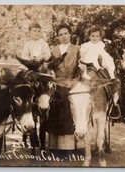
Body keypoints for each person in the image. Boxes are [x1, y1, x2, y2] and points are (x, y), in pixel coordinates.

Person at [46, 23, 80, 157]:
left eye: (66, 33)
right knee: (55, 114)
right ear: (58, 37)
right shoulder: (53, 51)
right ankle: (54, 147)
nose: (63, 36)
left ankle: (68, 148)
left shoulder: (77, 49)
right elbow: (48, 67)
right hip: (56, 86)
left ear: (70, 34)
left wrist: (74, 82)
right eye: (60, 34)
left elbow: (79, 69)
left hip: (71, 85)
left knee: (69, 114)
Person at [79, 25, 120, 116]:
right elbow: (82, 54)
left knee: (109, 63)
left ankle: (112, 77)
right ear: (89, 36)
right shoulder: (86, 45)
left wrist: (102, 59)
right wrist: (83, 57)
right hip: (88, 60)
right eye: (93, 36)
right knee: (85, 64)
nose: (95, 38)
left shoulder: (100, 44)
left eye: (97, 36)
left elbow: (101, 53)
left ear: (100, 37)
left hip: (100, 59)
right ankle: (87, 73)